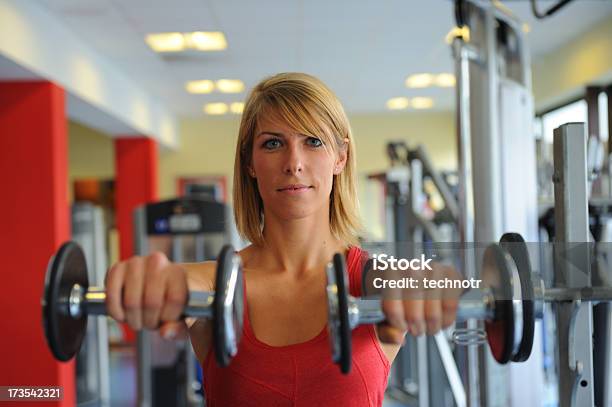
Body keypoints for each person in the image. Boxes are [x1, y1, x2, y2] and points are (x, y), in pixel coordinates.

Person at [105, 72, 459, 406]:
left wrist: (425, 279)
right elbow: (181, 283)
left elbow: (402, 278)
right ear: (249, 162)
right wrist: (150, 280)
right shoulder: (220, 283)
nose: (294, 163)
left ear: (341, 156)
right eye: (273, 143)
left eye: (313, 141)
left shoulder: (372, 279)